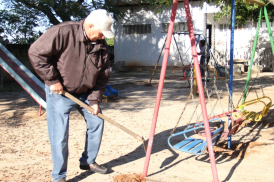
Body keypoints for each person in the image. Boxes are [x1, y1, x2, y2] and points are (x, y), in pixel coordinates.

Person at [28, 9, 114, 182]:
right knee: (60, 135)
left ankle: (88, 161)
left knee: (97, 121)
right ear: (90, 26)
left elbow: (103, 76)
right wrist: (52, 80)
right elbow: (36, 53)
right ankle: (59, 176)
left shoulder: (101, 46)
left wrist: (95, 99)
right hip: (61, 93)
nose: (103, 38)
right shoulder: (63, 32)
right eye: (100, 33)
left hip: (86, 93)